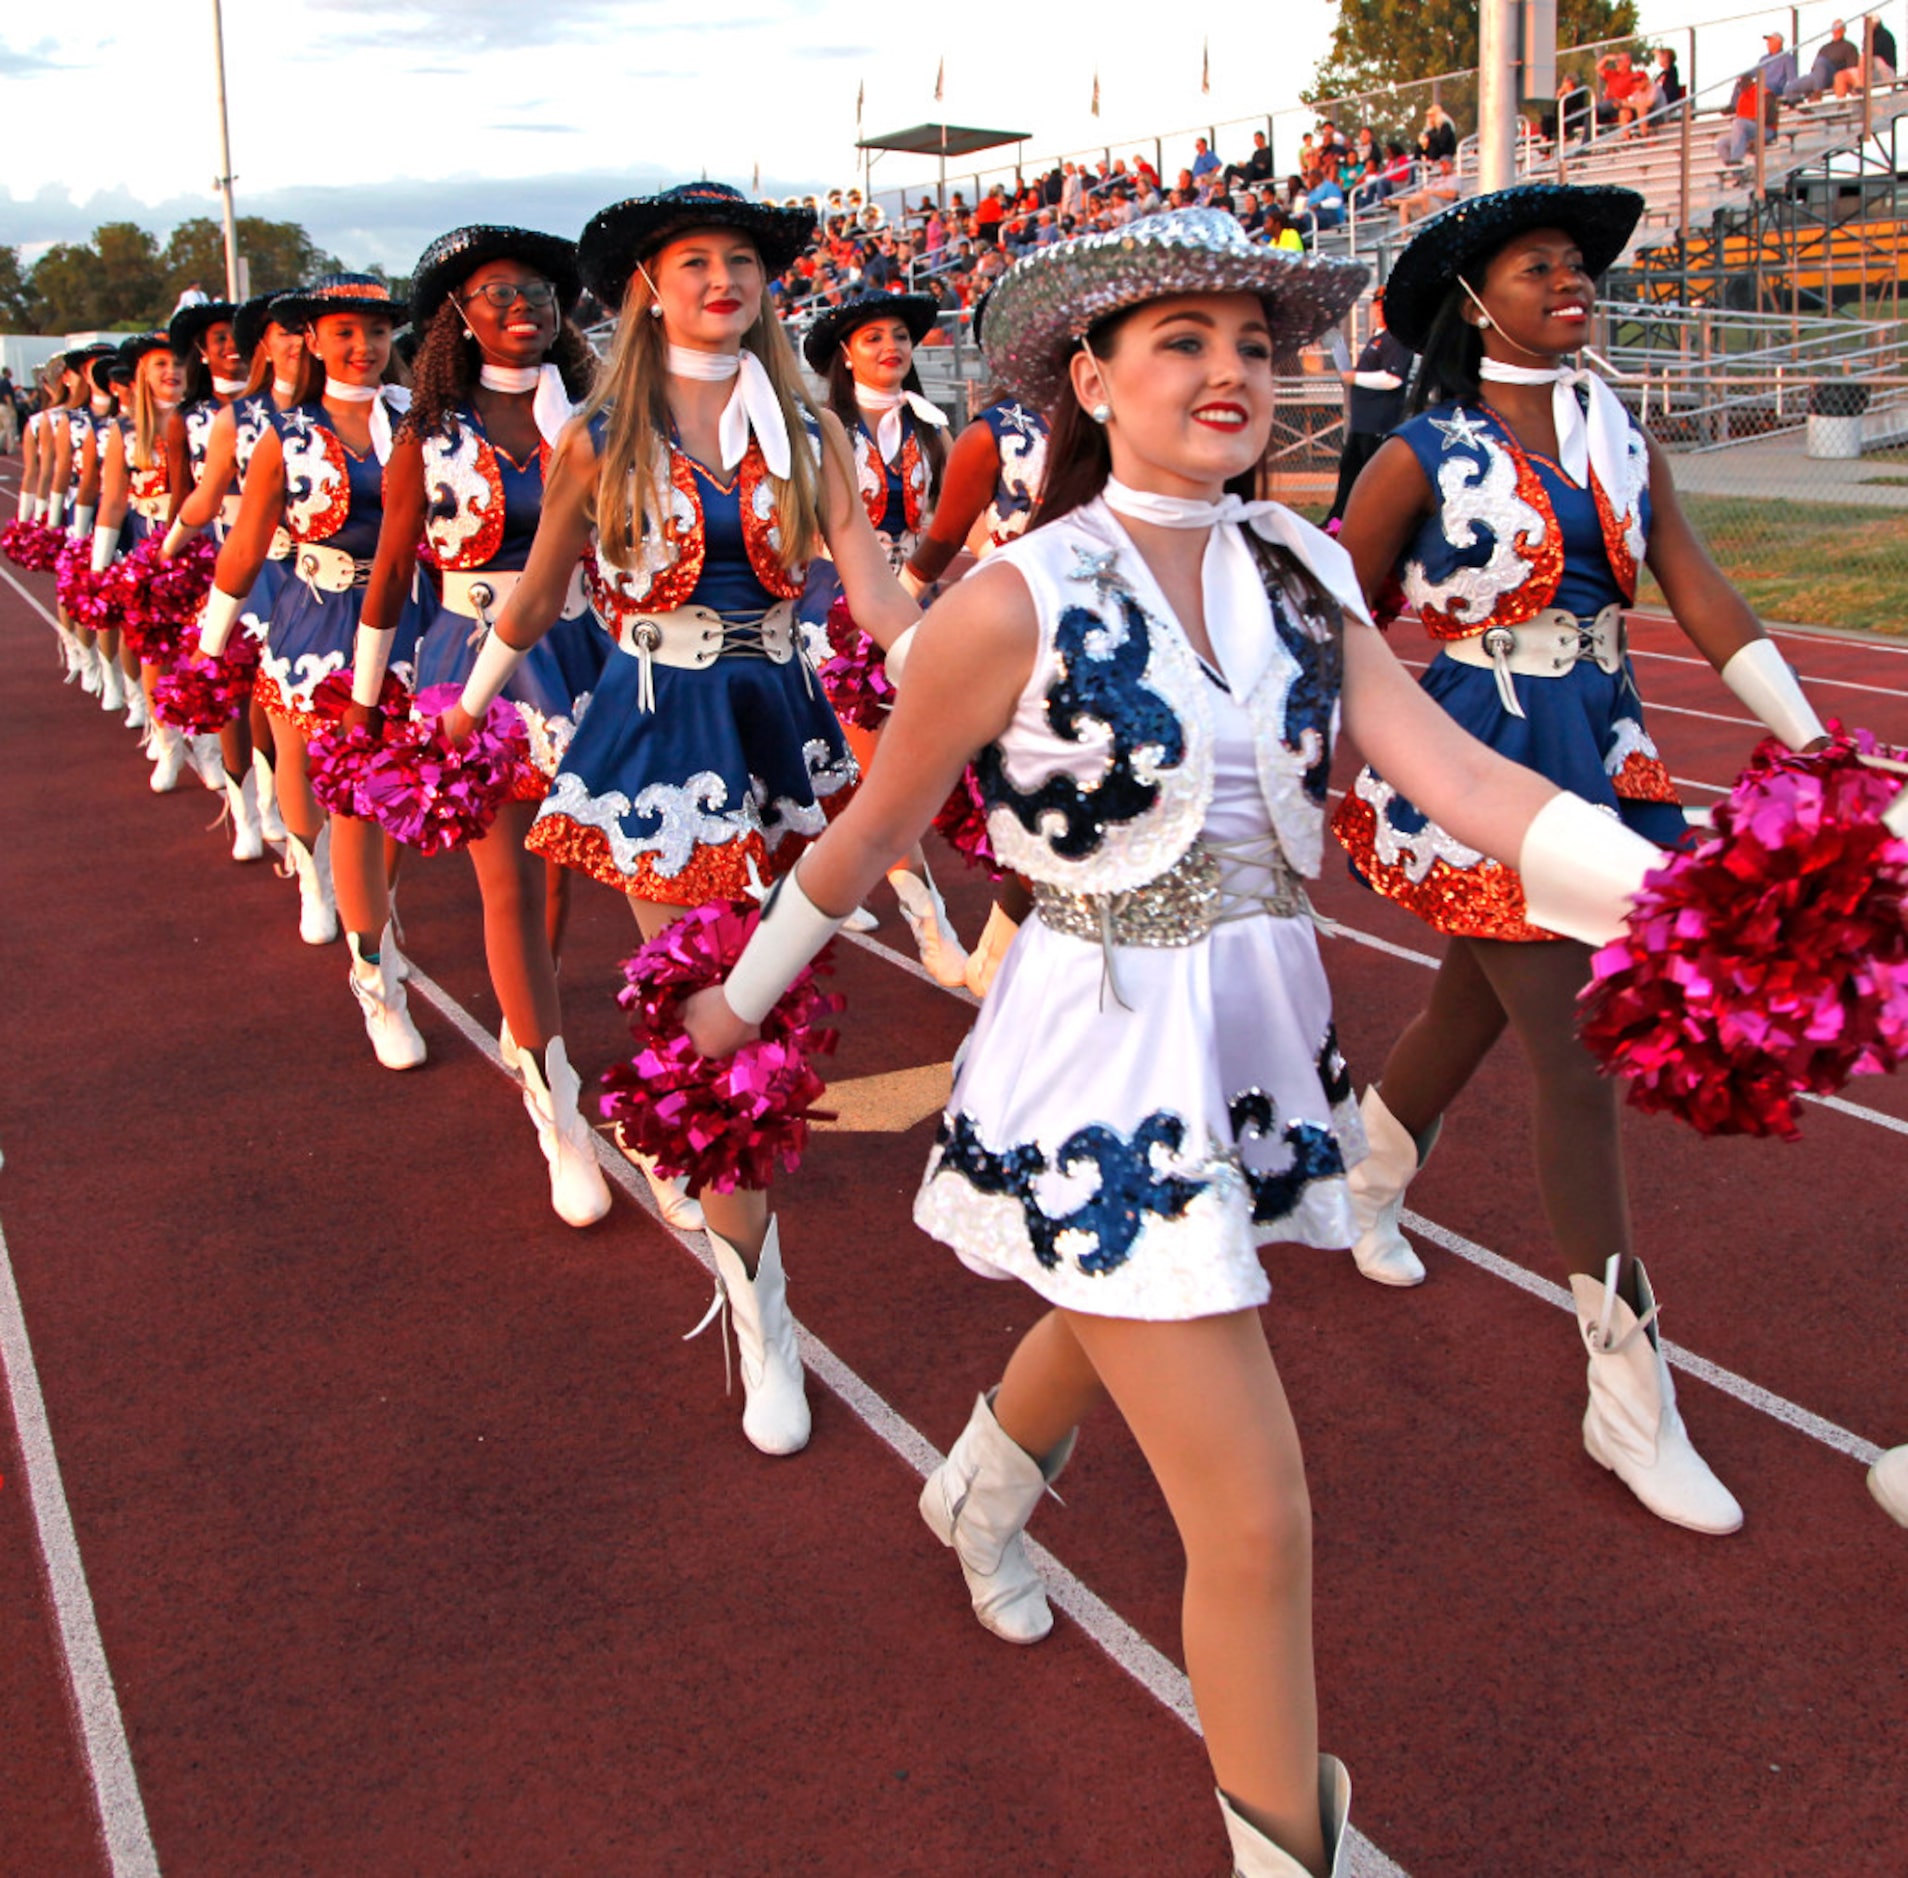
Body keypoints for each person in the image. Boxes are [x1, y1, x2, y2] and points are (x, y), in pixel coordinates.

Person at [681, 204, 1687, 1878]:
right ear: (1092, 377)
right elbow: (866, 834)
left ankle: (980, 1483)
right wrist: (733, 1003)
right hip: (1094, 1046)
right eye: (1180, 344)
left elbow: (1462, 778)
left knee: (1130, 1301)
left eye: (1250, 344)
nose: (1229, 373)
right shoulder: (1011, 597)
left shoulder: (1295, 569)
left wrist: (1659, 901)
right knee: (1256, 1507)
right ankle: (1287, 1849)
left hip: (1256, 1025)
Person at [1329, 182, 1831, 1536]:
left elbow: (1697, 583)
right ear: (1473, 298)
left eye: (1580, 265)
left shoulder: (1622, 431)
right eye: (1540, 264)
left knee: (1471, 1005)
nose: (1574, 280)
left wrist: (1812, 741)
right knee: (1580, 1047)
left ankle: (1362, 1176)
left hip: (1606, 754)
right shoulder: (1418, 454)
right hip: (1476, 763)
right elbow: (1335, 618)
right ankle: (1629, 1390)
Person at [442, 182, 916, 1456]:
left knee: (768, 986)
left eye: (744, 260)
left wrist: (953, 675)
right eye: (696, 260)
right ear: (649, 285)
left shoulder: (810, 428)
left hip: (777, 727)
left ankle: (703, 1177)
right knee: (717, 1008)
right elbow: (537, 603)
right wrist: (458, 710)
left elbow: (869, 585)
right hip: (655, 736)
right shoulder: (599, 432)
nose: (724, 279)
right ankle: (762, 1313)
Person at [344, 224, 614, 1227]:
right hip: (473, 668)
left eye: (539, 289)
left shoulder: (602, 421)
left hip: (586, 659)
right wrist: (365, 704)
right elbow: (391, 572)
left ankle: (523, 1020)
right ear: (458, 314)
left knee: (557, 882)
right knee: (508, 884)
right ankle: (559, 1113)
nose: (523, 305)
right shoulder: (427, 434)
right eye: (498, 291)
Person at [196, 274, 436, 1065]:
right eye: (344, 332)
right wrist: (208, 650)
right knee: (324, 780)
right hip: (314, 622)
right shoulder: (284, 435)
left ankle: (377, 912)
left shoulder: (426, 422)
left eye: (375, 332)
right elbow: (242, 546)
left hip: (414, 621)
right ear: (312, 339)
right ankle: (366, 961)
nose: (362, 347)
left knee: (398, 798)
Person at [162, 290, 309, 856]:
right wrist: (167, 548)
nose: (296, 342)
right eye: (284, 331)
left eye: (303, 330)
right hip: (252, 571)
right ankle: (245, 809)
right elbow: (201, 501)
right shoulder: (237, 419)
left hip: (314, 583)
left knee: (280, 708)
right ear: (264, 346)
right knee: (236, 697)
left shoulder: (343, 414)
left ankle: (277, 805)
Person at [1327, 289, 1412, 526]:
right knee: (1350, 471)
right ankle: (1338, 519)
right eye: (1376, 305)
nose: (1378, 311)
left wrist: (1355, 378)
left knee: (1370, 476)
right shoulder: (1378, 338)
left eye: (1383, 306)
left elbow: (1392, 379)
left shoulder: (1397, 340)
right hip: (1362, 422)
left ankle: (1370, 522)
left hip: (1379, 422)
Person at [1785, 19, 1861, 101]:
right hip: (1817, 77)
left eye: (1839, 28)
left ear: (1844, 30)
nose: (1837, 30)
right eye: (1835, 28)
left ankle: (1817, 93)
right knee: (1790, 87)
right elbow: (1814, 68)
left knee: (1821, 62)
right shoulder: (1824, 48)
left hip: (1833, 75)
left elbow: (1851, 70)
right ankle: (1803, 108)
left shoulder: (1849, 47)